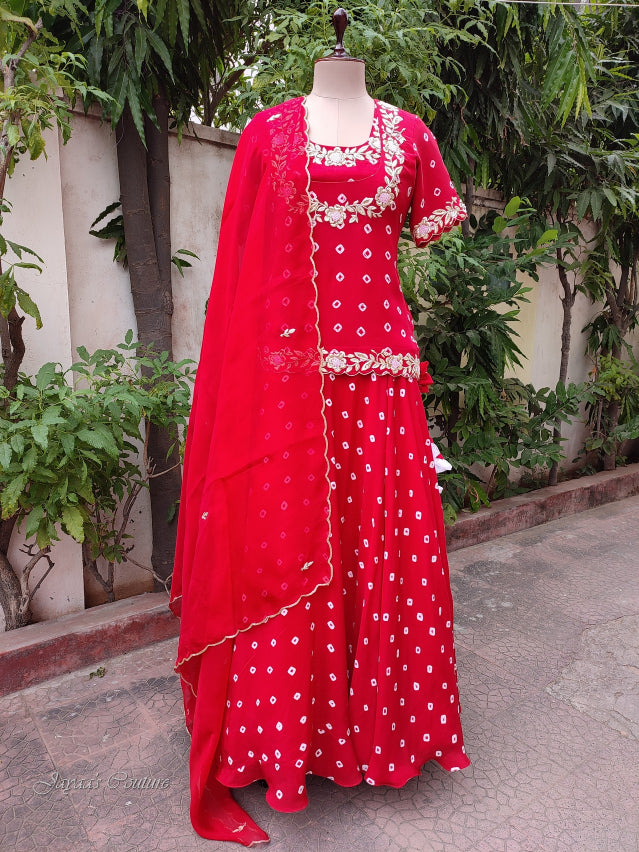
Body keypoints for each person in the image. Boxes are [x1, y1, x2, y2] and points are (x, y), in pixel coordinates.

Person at [169, 39, 470, 847]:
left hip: (378, 388)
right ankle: (282, 742)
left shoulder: (411, 136)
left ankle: (378, 737)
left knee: (381, 551)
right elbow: (240, 276)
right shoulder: (266, 132)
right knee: (281, 554)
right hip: (286, 385)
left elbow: (424, 228)